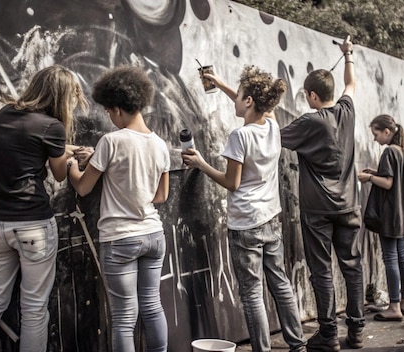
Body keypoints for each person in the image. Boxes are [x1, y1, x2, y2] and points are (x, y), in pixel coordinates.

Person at [182, 66, 306, 352]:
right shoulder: (272, 126)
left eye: (239, 96)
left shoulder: (240, 136)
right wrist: (223, 85)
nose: (235, 99)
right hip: (271, 219)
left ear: (249, 101)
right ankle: (297, 345)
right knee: (280, 283)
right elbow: (259, 106)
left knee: (252, 293)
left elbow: (232, 183)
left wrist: (201, 163)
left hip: (245, 224)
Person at [0, 65, 88, 352]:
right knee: (34, 310)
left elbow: (29, 150)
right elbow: (59, 173)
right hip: (33, 224)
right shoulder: (53, 127)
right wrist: (72, 158)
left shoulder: (5, 114)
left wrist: (62, 149)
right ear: (60, 97)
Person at [67, 66, 170, 352]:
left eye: (109, 112)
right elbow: (161, 196)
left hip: (120, 239)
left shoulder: (111, 141)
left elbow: (84, 187)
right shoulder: (160, 144)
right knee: (152, 306)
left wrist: (74, 166)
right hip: (153, 234)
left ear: (117, 109)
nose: (110, 119)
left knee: (125, 317)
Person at [280, 35, 365, 351]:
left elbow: (269, 137)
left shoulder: (308, 122)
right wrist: (348, 54)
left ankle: (329, 336)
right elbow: (351, 84)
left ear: (313, 95)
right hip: (349, 206)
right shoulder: (347, 111)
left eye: (306, 95)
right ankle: (356, 331)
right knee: (353, 266)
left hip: (317, 211)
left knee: (322, 271)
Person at [358, 114, 404, 322]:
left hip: (390, 214)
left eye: (376, 134)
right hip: (401, 214)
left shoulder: (389, 151)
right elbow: (394, 178)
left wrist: (369, 177)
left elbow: (388, 183)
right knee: (402, 256)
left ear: (387, 132)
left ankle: (393, 306)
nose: (375, 139)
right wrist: (376, 172)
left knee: (390, 258)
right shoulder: (402, 151)